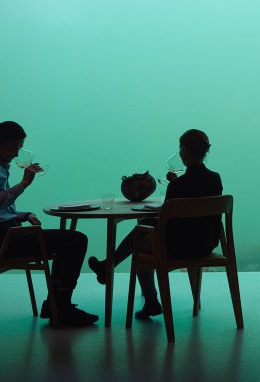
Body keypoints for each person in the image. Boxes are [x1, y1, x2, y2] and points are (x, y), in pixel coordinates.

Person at [0, 121, 98, 326]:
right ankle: (60, 307)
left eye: (19, 147)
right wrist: (24, 184)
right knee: (75, 240)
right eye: (12, 146)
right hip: (2, 242)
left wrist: (24, 214)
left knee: (66, 242)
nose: (16, 153)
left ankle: (56, 305)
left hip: (0, 237)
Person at [88, 129, 221, 319]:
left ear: (184, 151)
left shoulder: (177, 186)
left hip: (181, 247)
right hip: (206, 243)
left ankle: (148, 298)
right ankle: (108, 266)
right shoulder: (215, 179)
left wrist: (175, 184)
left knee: (141, 237)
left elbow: (170, 223)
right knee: (147, 224)